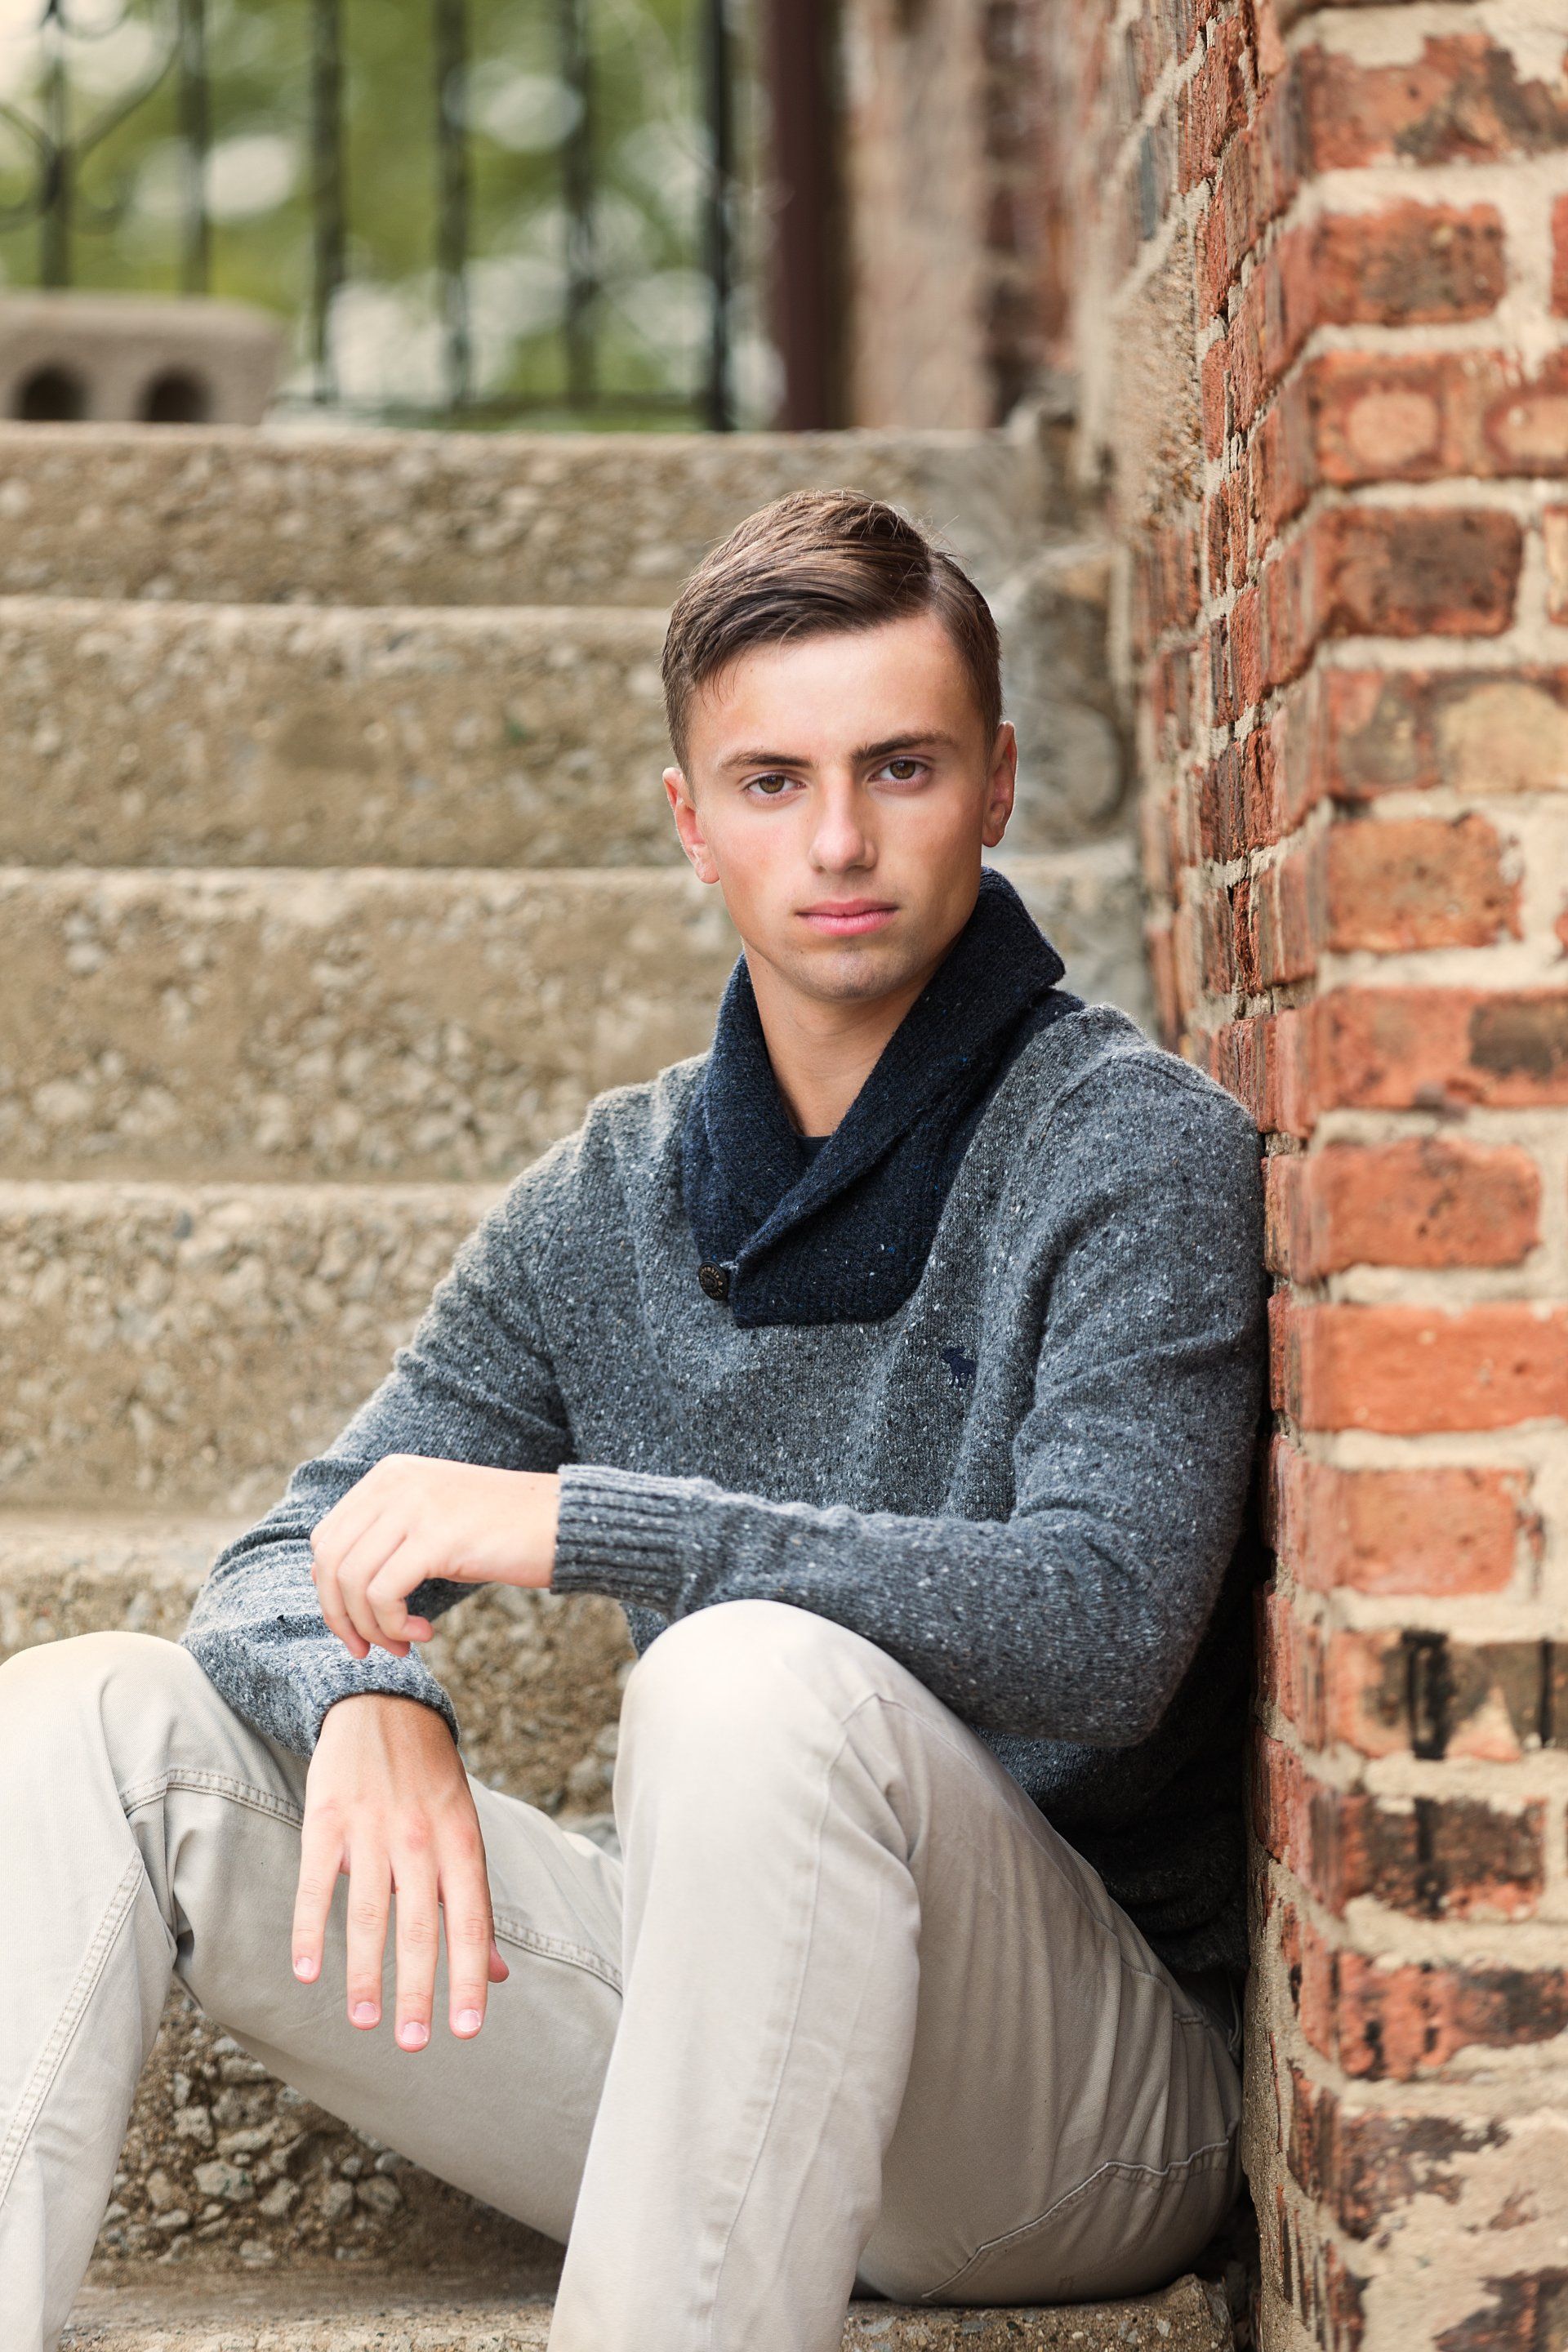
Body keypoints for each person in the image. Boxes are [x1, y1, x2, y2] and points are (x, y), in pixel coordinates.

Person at [1, 491, 1267, 2352]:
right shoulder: (607, 1195)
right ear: (690, 822)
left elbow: (1104, 1623)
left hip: (1069, 2110)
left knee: (741, 1674)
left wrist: (603, 1524)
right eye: (770, 782)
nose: (837, 838)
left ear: (997, 785)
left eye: (898, 766)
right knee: (87, 1717)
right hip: (720, 2034)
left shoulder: (1129, 1146)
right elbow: (301, 1547)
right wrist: (365, 1694)